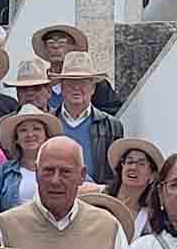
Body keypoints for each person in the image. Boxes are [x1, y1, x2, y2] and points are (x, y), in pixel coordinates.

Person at [0, 136, 124, 249]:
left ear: (82, 176)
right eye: (48, 171)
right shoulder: (5, 226)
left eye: (65, 172)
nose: (55, 180)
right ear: (36, 172)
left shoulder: (108, 227)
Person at [46, 52, 123, 184]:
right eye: (71, 82)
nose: (76, 88)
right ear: (62, 87)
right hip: (55, 192)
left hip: (96, 197)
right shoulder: (47, 122)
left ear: (93, 88)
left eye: (83, 82)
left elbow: (115, 170)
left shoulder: (111, 125)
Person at [0, 98, 61, 215]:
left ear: (46, 135)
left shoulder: (61, 166)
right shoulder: (4, 171)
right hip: (13, 230)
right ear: (17, 138)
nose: (30, 135)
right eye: (23, 130)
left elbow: (84, 186)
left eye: (36, 129)